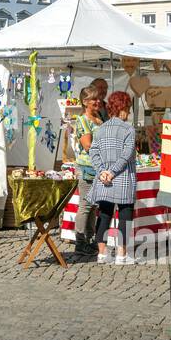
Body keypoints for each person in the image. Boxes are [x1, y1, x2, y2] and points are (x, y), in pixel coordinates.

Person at [89, 90, 137, 265]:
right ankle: (121, 255)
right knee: (125, 214)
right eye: (128, 108)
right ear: (123, 108)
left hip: (104, 179)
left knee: (105, 214)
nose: (129, 112)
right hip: (123, 177)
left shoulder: (101, 129)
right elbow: (126, 155)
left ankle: (102, 253)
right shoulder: (128, 129)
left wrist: (102, 171)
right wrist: (113, 172)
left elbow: (93, 152)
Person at [68, 86, 106, 252]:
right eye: (94, 99)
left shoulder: (98, 117)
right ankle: (80, 241)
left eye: (98, 98)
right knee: (85, 204)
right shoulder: (82, 120)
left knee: (93, 206)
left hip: (98, 167)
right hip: (87, 168)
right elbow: (88, 145)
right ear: (85, 102)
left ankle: (90, 239)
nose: (98, 102)